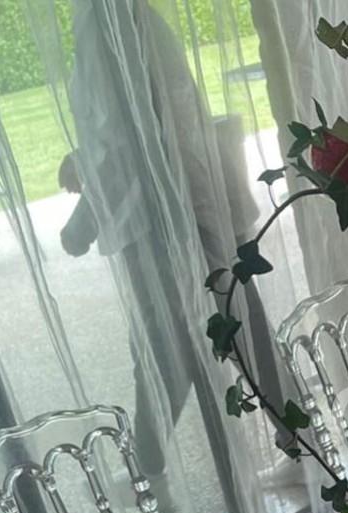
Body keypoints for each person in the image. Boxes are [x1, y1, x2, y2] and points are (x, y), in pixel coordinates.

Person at [57, 0, 260, 477]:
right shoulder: (129, 17)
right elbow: (139, 123)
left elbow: (130, 140)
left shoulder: (109, 23)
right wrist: (86, 159)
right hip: (189, 203)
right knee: (234, 329)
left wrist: (82, 222)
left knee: (163, 349)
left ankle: (144, 467)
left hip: (159, 220)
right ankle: (298, 438)